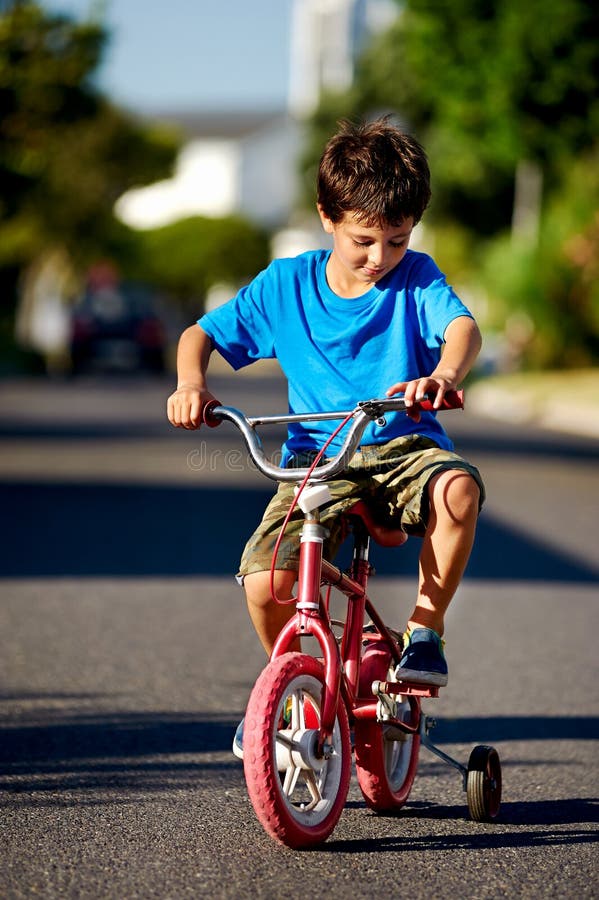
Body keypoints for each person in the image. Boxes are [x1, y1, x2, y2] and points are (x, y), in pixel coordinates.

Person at [167, 117, 485, 759]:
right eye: (364, 240)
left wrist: (445, 374)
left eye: (397, 240)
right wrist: (190, 384)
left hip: (402, 444)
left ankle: (425, 632)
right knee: (264, 582)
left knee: (457, 491)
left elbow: (461, 328)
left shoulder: (416, 279)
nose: (380, 258)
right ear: (327, 217)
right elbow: (200, 335)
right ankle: (291, 689)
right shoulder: (287, 286)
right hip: (319, 456)